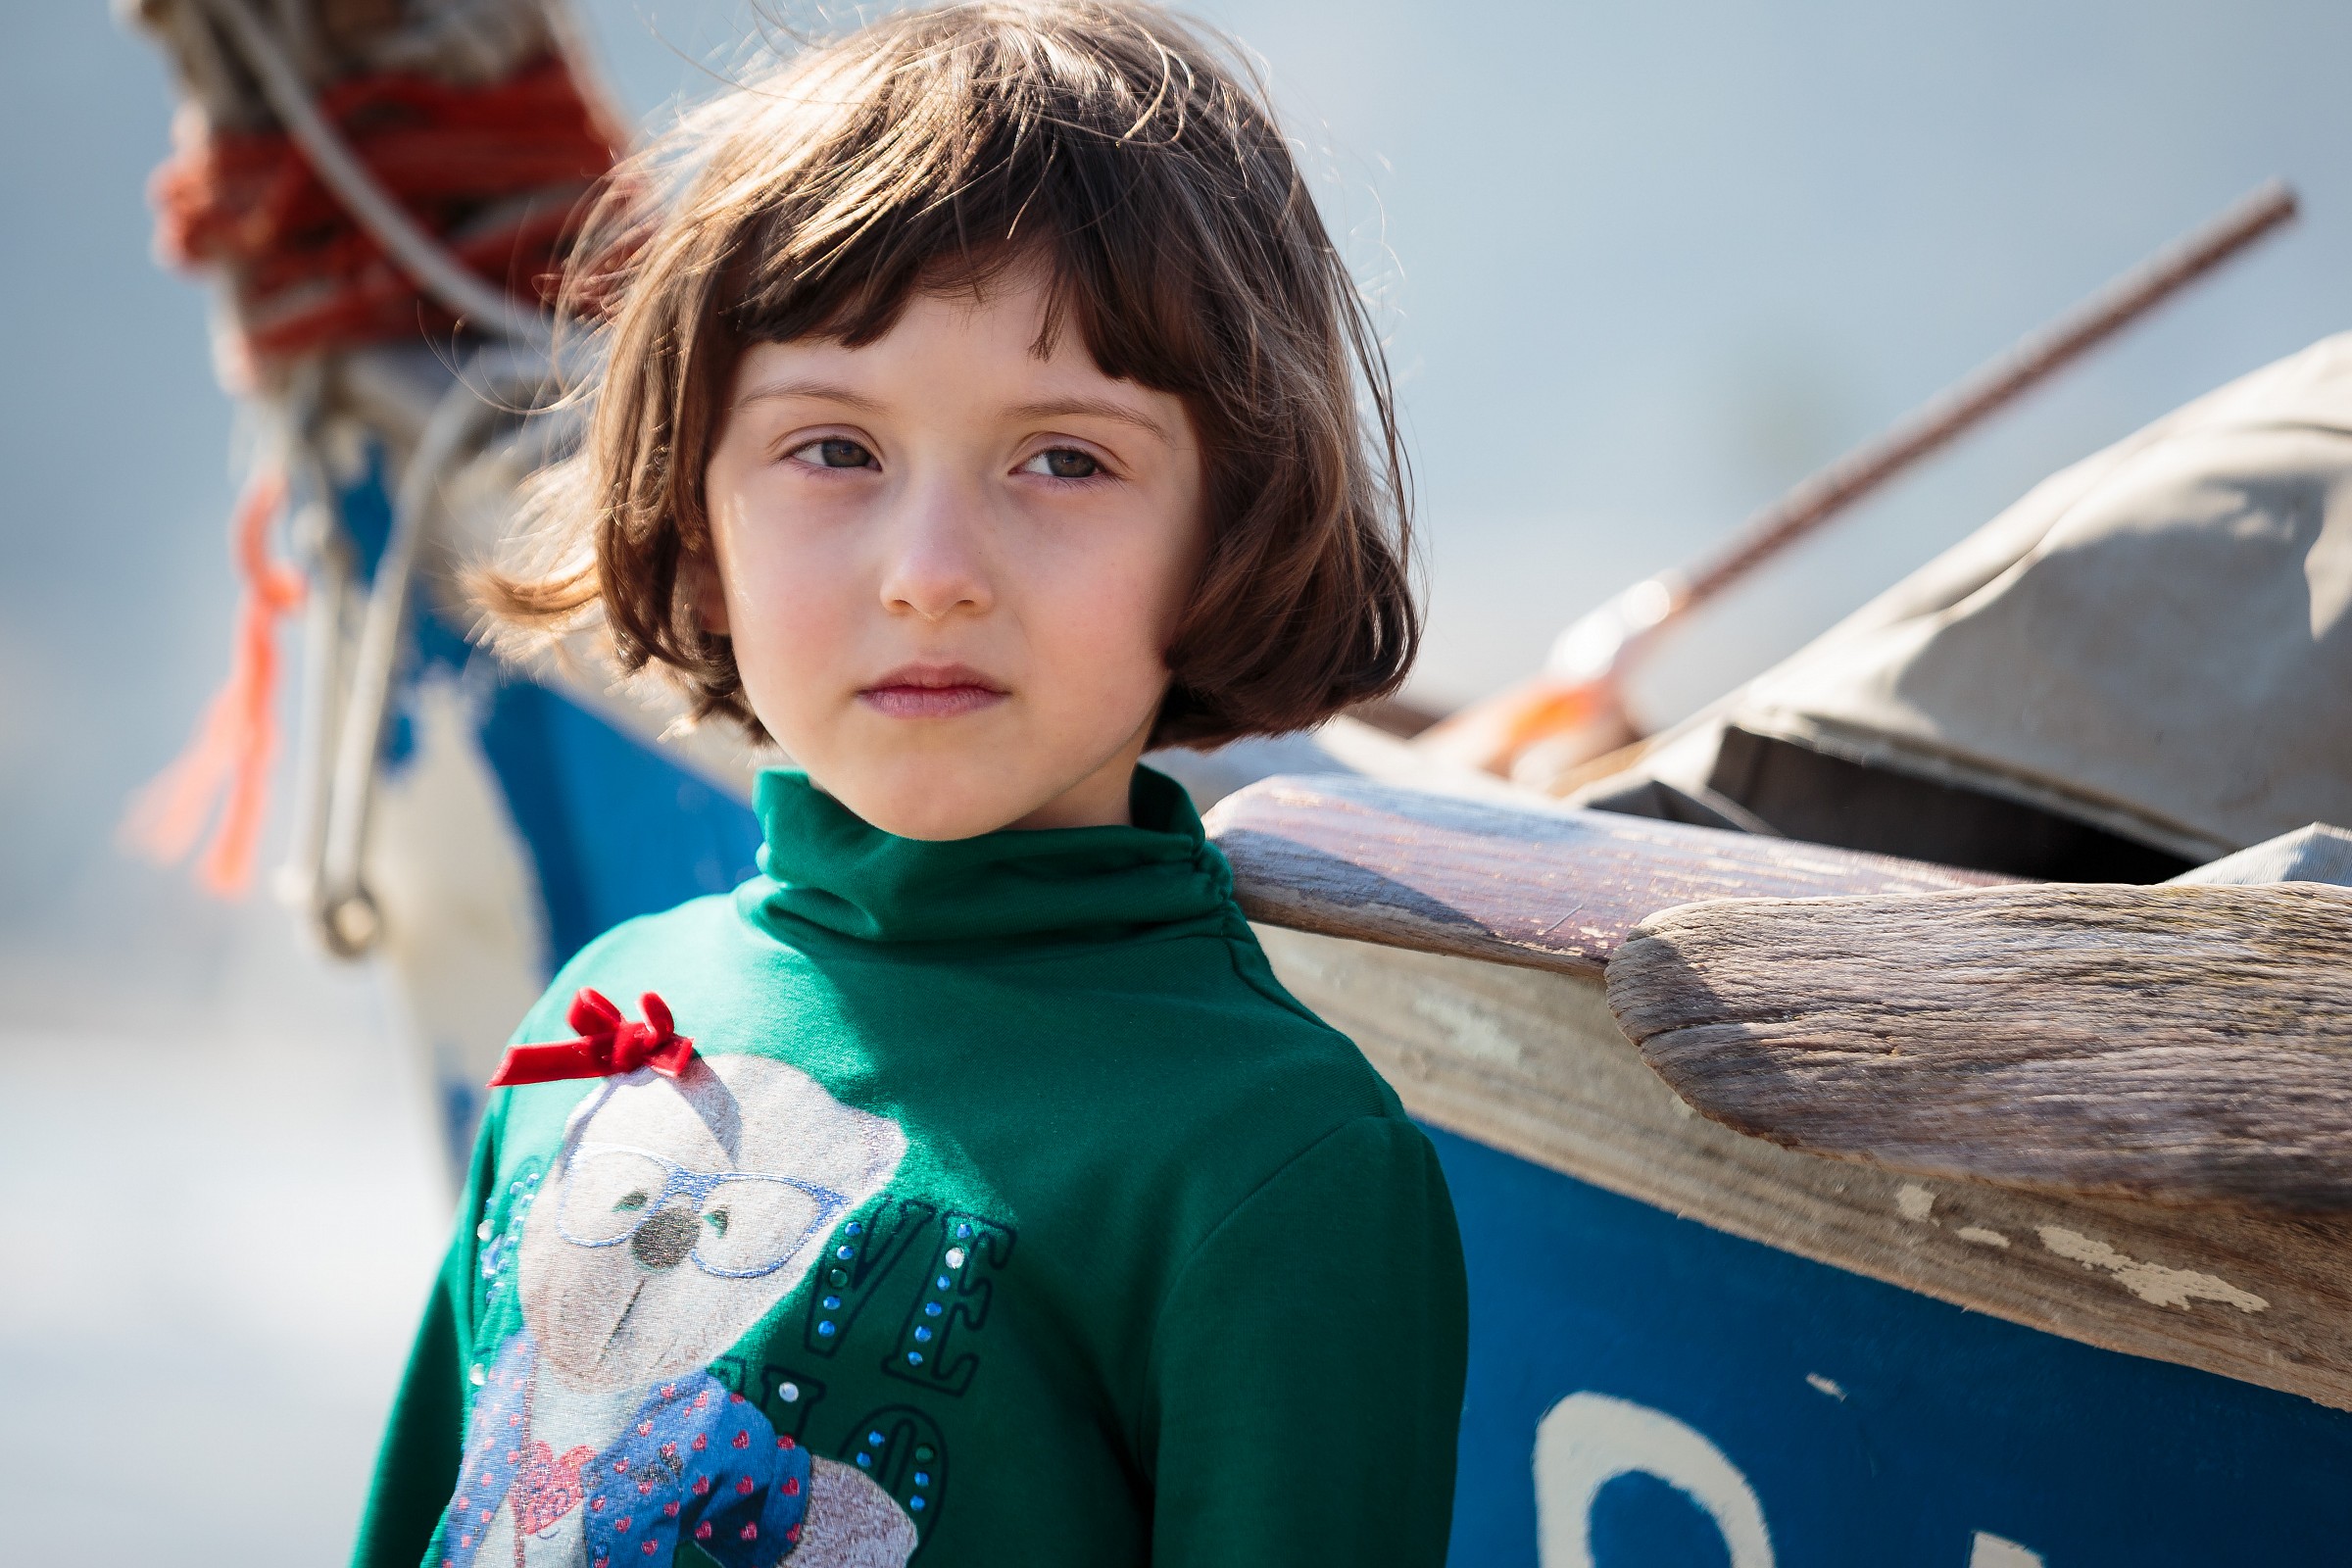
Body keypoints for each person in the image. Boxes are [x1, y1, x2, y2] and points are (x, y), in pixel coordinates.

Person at [351, 3, 1466, 1564]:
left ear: (1227, 535)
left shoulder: (1273, 1167)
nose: (932, 575)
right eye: (834, 451)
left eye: (1065, 460)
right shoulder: (599, 1021)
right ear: (694, 514)